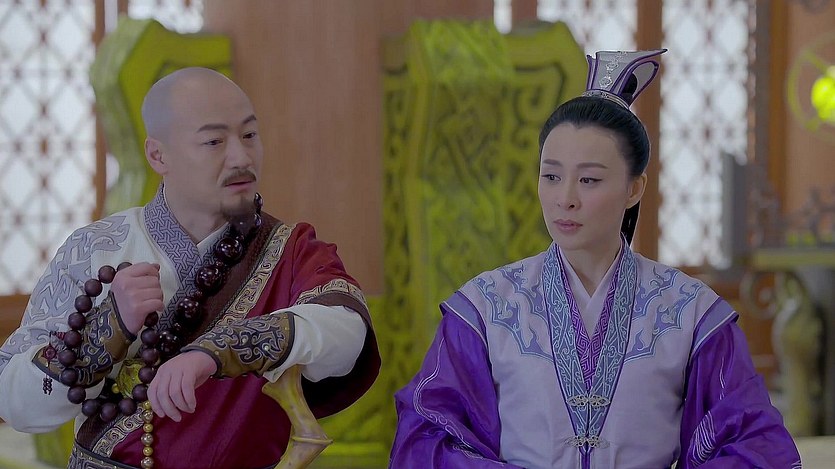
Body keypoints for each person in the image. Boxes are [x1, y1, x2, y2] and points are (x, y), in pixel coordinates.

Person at [389, 50, 800, 468]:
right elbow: (426, 438)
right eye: (551, 176)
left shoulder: (690, 312)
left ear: (634, 189)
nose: (565, 198)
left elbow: (754, 444)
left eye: (589, 179)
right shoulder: (486, 307)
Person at [0, 67, 380, 469]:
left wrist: (218, 351)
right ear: (158, 155)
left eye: (250, 135)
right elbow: (14, 400)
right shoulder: (94, 249)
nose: (242, 157)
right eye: (214, 141)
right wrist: (109, 328)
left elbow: (346, 332)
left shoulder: (291, 251)